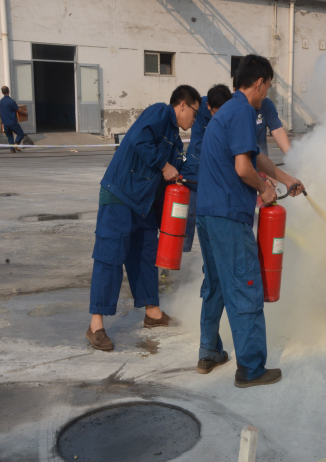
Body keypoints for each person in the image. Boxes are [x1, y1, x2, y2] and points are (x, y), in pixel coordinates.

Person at [195, 54, 305, 388]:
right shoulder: (244, 110)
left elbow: (254, 158)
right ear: (259, 83)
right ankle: (251, 368)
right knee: (245, 285)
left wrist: (285, 178)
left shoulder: (228, 110)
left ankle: (209, 352)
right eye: (267, 87)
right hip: (229, 215)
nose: (266, 94)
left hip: (207, 213)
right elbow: (244, 169)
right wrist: (264, 189)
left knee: (216, 284)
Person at [86, 85, 201, 351]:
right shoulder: (160, 112)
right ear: (182, 105)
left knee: (146, 256)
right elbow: (138, 138)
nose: (194, 120)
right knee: (109, 257)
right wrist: (164, 165)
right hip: (121, 195)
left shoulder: (175, 140)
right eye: (194, 113)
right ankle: (95, 325)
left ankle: (153, 313)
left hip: (144, 205)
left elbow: (182, 172)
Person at [179, 84, 233, 253]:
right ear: (209, 106)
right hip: (195, 164)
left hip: (217, 168)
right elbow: (200, 144)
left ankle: (212, 254)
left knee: (213, 214)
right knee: (189, 211)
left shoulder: (231, 110)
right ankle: (180, 252)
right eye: (216, 113)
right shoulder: (199, 109)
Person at [0, 86, 28, 154]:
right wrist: (25, 113)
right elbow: (18, 110)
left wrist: (1, 121)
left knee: (10, 136)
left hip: (5, 123)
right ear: (9, 91)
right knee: (21, 133)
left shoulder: (1, 101)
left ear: (2, 92)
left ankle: (12, 149)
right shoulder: (11, 101)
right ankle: (16, 144)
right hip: (12, 122)